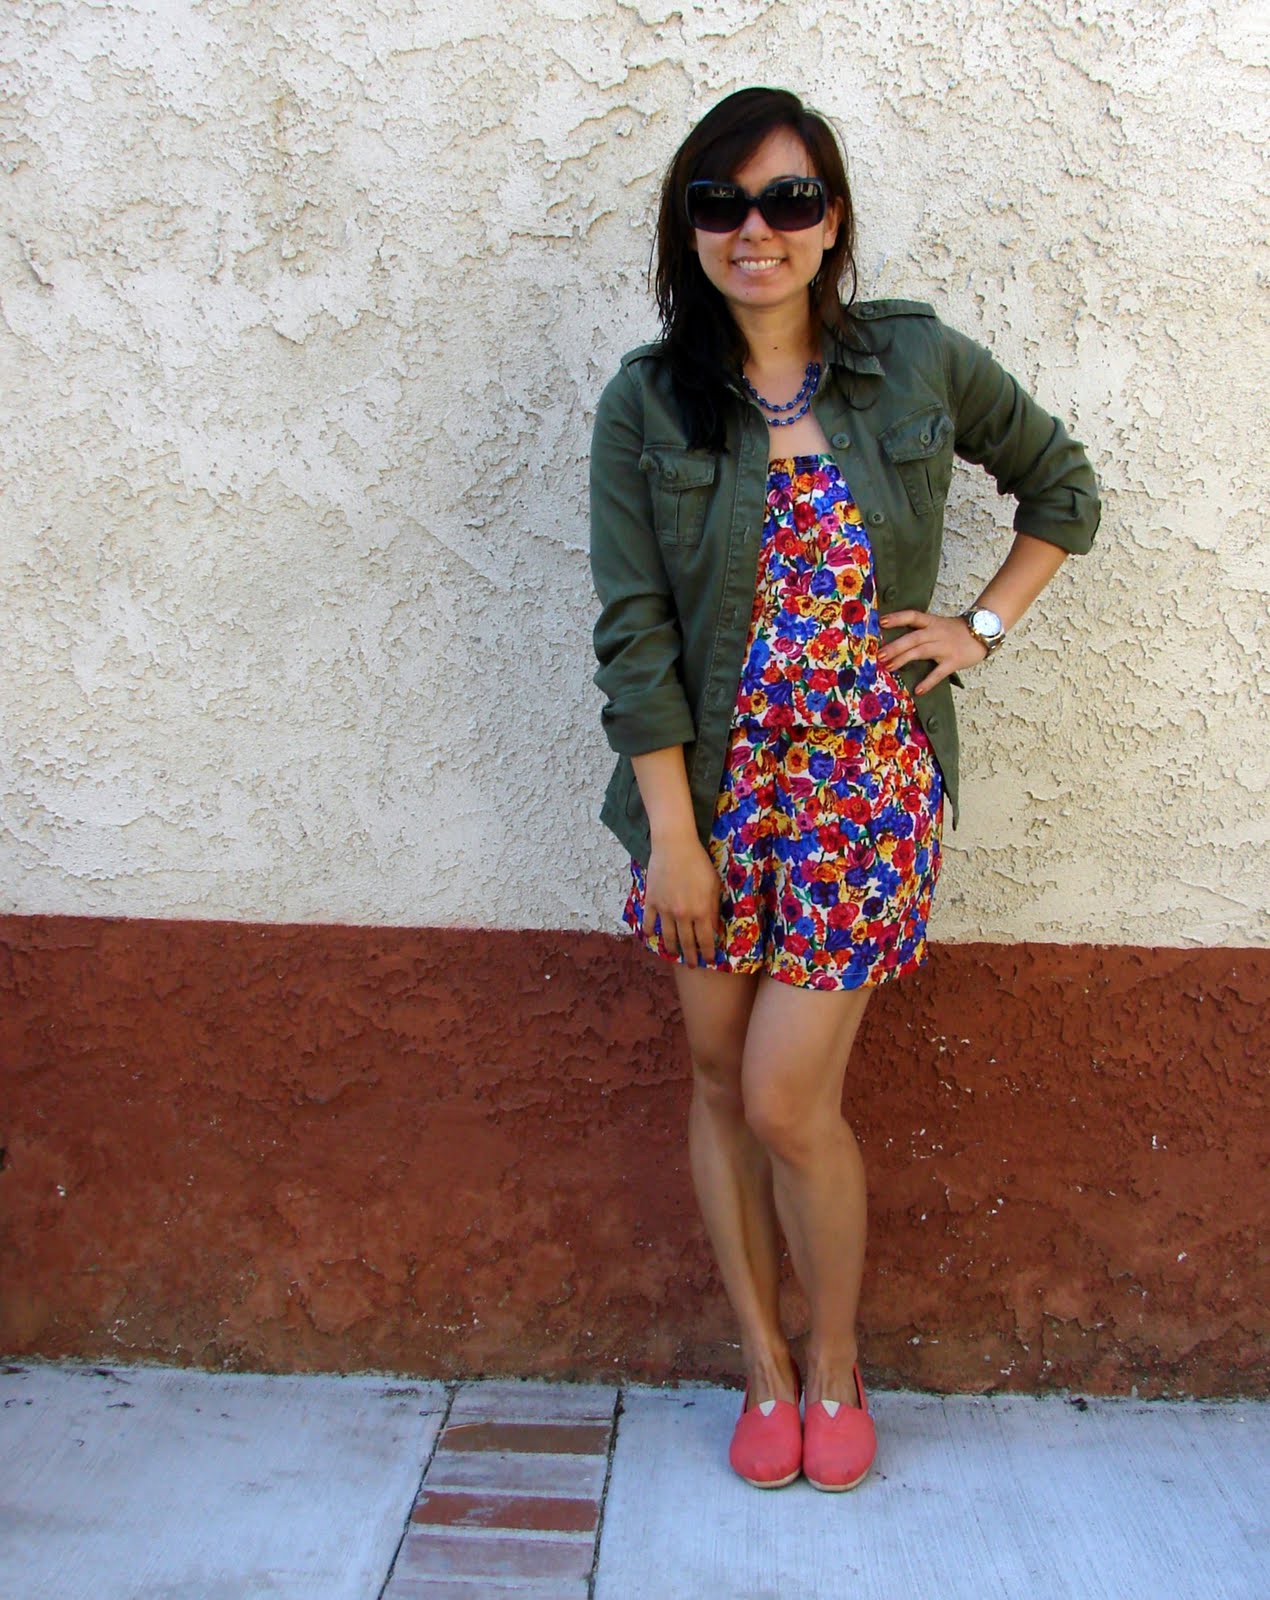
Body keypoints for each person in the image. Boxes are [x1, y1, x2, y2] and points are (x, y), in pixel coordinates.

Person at [587, 87, 1099, 1493]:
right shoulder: (648, 401)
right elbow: (632, 631)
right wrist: (673, 842)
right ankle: (760, 1365)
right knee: (712, 1081)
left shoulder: (911, 368)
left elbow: (1061, 489)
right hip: (709, 803)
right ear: (687, 227)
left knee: (782, 1101)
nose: (755, 230)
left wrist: (975, 628)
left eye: (788, 200)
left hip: (865, 796)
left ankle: (834, 1361)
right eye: (722, 202)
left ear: (831, 221)